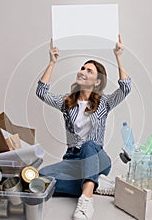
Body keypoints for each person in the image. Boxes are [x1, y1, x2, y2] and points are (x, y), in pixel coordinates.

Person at [36, 35, 132, 220]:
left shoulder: (104, 103)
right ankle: (95, 183)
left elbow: (126, 88)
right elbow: (41, 92)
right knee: (40, 178)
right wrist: (52, 62)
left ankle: (86, 202)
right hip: (73, 160)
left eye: (89, 71)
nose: (83, 71)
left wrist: (118, 56)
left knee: (89, 144)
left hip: (97, 157)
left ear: (97, 81)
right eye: (82, 68)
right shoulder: (67, 102)